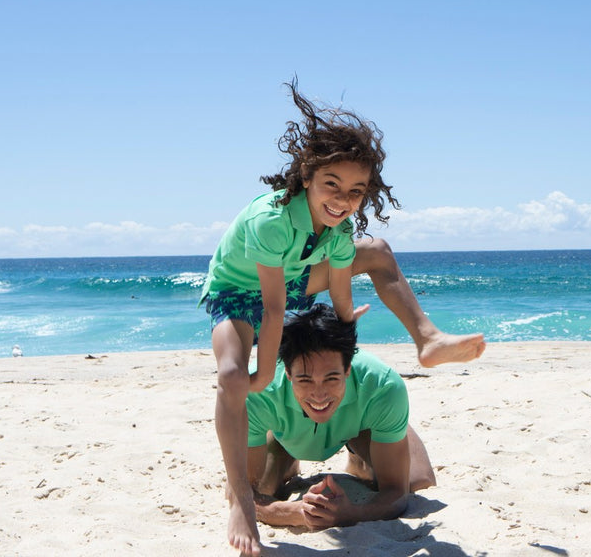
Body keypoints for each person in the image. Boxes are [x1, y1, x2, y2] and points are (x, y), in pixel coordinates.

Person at [200, 80, 484, 554]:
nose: (342, 198)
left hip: (290, 278)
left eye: (355, 191)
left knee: (375, 252)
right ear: (307, 176)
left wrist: (347, 325)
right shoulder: (270, 220)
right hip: (237, 291)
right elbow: (272, 310)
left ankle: (428, 338)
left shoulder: (340, 227)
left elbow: (337, 287)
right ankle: (242, 504)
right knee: (232, 376)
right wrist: (265, 371)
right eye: (332, 184)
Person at [245, 304, 436, 539]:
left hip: (358, 426)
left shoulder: (383, 386)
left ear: (347, 369)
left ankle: (364, 456)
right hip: (284, 433)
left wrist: (352, 514)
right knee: (262, 489)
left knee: (418, 481)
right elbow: (241, 495)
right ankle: (287, 459)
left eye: (331, 378)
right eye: (304, 380)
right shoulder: (256, 390)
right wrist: (293, 512)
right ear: (287, 372)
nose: (319, 394)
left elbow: (396, 492)